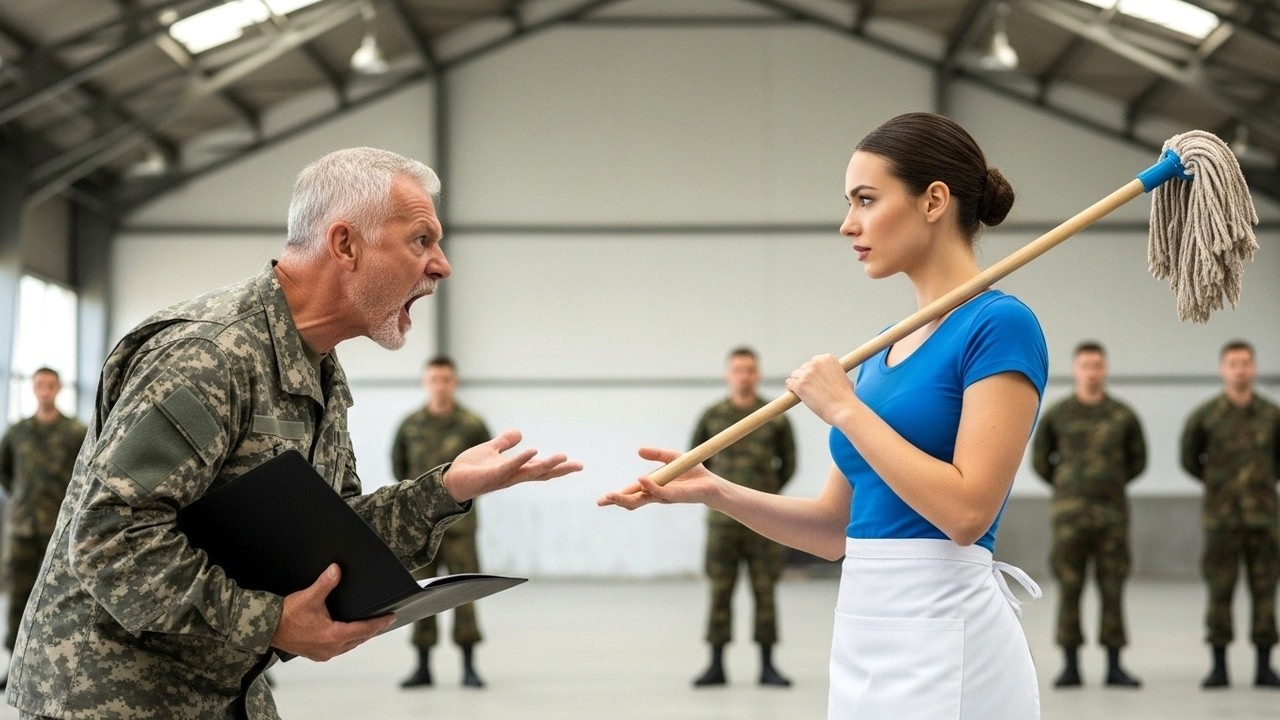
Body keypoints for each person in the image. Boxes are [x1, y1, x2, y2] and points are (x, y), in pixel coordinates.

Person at [5, 147, 583, 720]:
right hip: (110, 698)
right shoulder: (209, 355)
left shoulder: (319, 370)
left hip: (220, 689)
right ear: (345, 245)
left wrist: (446, 488)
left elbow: (333, 534)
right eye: (421, 241)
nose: (441, 265)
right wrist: (273, 622)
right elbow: (111, 537)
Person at [601, 112, 1048, 719]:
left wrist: (845, 408)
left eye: (866, 199)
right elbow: (834, 530)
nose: (848, 225)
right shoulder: (883, 347)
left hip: (950, 631)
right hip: (867, 631)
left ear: (934, 200)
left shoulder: (999, 325)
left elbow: (968, 512)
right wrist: (715, 492)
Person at [1031, 341, 1145, 688]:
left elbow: (1137, 461)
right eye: (1085, 365)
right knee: (1069, 588)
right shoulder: (1058, 414)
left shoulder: (1123, 415)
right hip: (1070, 520)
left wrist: (1108, 485)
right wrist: (1069, 488)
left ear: (1105, 369)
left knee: (1112, 588)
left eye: (1097, 365)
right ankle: (1070, 665)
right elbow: (1040, 460)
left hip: (1112, 518)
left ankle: (1114, 664)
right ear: (1075, 369)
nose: (1092, 372)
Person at [688, 347, 796, 688]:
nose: (743, 376)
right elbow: (694, 463)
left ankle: (768, 665)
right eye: (737, 370)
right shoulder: (712, 417)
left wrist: (761, 498)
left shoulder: (775, 415)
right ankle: (716, 665)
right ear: (727, 374)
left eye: (749, 370)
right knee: (720, 591)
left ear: (758, 374)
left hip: (764, 522)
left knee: (765, 592)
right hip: (722, 523)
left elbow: (789, 464)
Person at [1180, 339, 1280, 689]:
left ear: (1254, 368)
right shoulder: (1206, 416)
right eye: (1234, 363)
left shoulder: (1272, 415)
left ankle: (1265, 666)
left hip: (1264, 520)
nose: (1240, 370)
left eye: (1246, 363)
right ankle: (1219, 667)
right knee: (1220, 591)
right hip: (1221, 520)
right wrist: (1218, 484)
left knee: (1266, 592)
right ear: (1224, 369)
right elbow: (1190, 459)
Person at [392, 355, 493, 689]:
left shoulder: (471, 425)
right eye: (434, 379)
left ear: (455, 382)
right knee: (421, 598)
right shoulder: (410, 425)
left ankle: (469, 666)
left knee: (465, 594)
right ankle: (423, 667)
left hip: (460, 529)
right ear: (426, 382)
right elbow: (399, 468)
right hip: (420, 529)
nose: (440, 385)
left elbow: (490, 467)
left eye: (446, 379)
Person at [0, 368, 87, 689]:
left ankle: (52, 672)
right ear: (33, 389)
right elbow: (5, 473)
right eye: (39, 385)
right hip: (22, 529)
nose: (44, 391)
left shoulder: (75, 432)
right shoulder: (17, 432)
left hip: (59, 530)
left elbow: (84, 475)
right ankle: (13, 666)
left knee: (57, 600)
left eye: (50, 385)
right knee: (18, 598)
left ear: (58, 388)